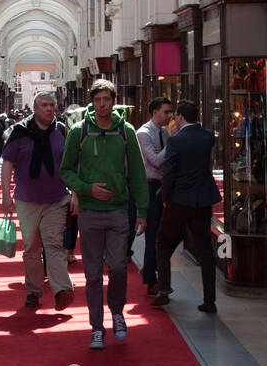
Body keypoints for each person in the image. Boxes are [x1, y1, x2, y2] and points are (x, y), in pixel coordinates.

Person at [60, 78, 148, 349]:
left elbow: (137, 172)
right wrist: (87, 189)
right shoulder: (79, 131)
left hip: (118, 211)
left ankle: (118, 313)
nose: (102, 105)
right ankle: (96, 327)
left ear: (113, 101)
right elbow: (66, 170)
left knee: (119, 267)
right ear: (92, 101)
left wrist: (142, 210)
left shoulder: (126, 131)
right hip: (89, 213)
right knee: (93, 274)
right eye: (97, 100)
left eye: (106, 100)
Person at [1, 91, 74, 310]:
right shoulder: (19, 132)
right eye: (44, 105)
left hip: (57, 199)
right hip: (28, 200)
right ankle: (34, 290)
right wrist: (6, 194)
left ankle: (62, 289)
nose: (50, 108)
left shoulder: (61, 130)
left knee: (54, 244)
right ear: (34, 108)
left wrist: (76, 193)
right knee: (32, 248)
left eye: (52, 105)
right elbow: (7, 163)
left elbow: (71, 163)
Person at [151, 100, 221, 314]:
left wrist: (163, 196)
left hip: (179, 201)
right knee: (205, 250)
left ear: (180, 117)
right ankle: (209, 300)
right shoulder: (208, 136)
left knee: (162, 242)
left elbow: (169, 172)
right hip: (202, 201)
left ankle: (163, 290)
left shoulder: (176, 140)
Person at [135, 97, 173, 294]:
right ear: (155, 111)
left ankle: (150, 268)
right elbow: (157, 160)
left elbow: (163, 158)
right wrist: (171, 145)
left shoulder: (164, 132)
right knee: (152, 234)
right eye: (166, 112)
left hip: (163, 185)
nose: (169, 116)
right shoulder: (143, 133)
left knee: (166, 233)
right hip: (149, 187)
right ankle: (151, 279)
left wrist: (165, 149)